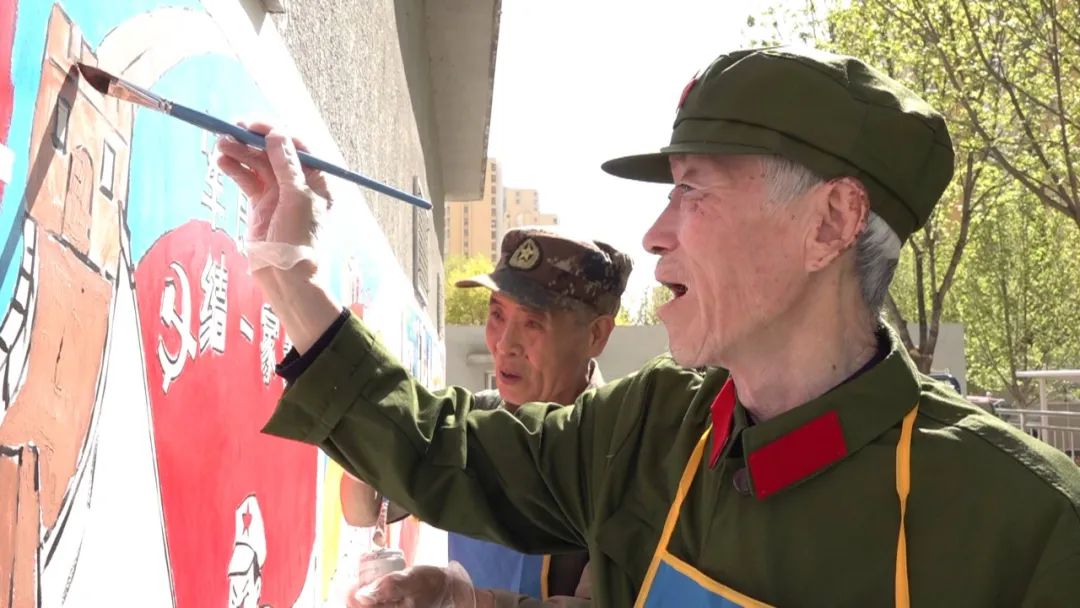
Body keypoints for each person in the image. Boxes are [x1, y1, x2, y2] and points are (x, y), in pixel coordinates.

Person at [217, 46, 1080, 607]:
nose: (656, 233)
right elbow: (450, 451)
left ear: (831, 221)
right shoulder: (652, 427)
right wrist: (288, 268)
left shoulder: (1028, 528)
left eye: (693, 190)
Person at [337, 226, 633, 605]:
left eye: (532, 323)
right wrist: (366, 429)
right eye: (496, 314)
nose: (504, 344)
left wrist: (463, 600)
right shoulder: (474, 418)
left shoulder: (619, 456)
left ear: (596, 335)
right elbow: (365, 511)